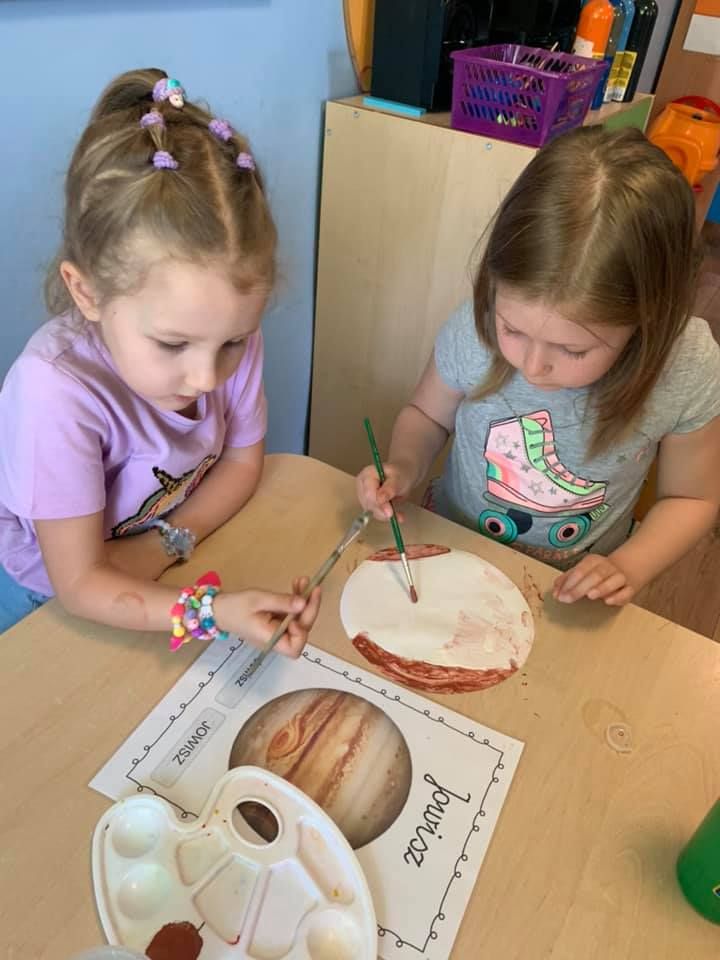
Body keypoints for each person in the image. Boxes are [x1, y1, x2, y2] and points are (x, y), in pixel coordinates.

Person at [0, 68, 320, 648]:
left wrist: (165, 545)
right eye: (172, 345)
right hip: (39, 602)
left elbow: (242, 465)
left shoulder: (226, 330)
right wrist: (211, 610)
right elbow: (80, 586)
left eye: (233, 343)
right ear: (87, 292)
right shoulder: (53, 392)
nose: (205, 378)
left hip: (155, 574)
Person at [357, 126, 720, 606]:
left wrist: (629, 566)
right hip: (451, 551)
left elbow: (692, 498)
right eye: (512, 329)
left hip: (568, 593)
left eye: (572, 351)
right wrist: (404, 466)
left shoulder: (686, 366)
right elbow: (427, 416)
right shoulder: (474, 326)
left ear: (648, 319)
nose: (531, 366)